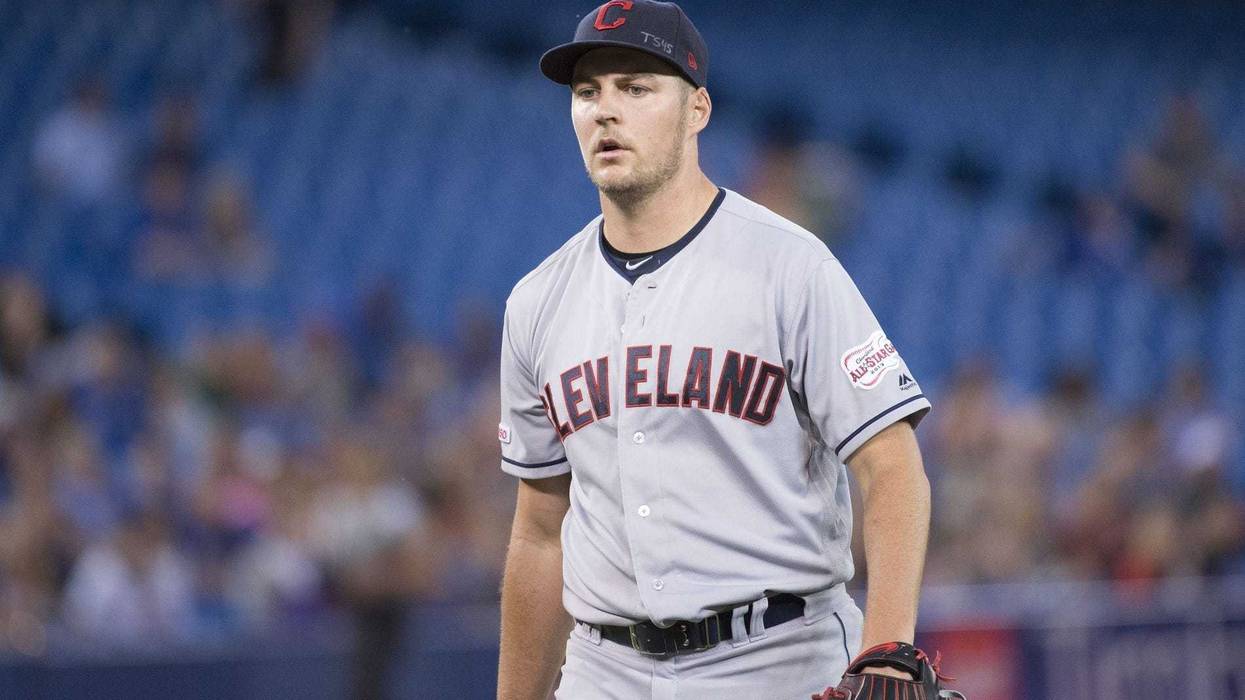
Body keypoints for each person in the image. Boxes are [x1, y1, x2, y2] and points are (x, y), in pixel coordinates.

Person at [496, 3, 953, 698]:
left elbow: (891, 467)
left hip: (777, 658)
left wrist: (887, 647)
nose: (604, 111)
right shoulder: (536, 302)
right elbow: (537, 531)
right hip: (603, 668)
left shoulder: (790, 266)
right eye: (588, 92)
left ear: (697, 109)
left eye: (636, 88)